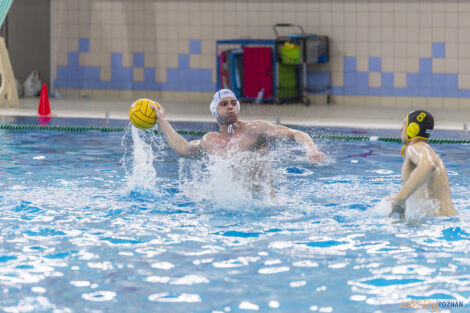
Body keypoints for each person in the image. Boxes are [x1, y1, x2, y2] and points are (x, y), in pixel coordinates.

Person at [149, 89, 325, 195]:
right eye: (224, 104)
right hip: (231, 209)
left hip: (263, 208)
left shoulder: (255, 130)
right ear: (214, 111)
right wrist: (162, 121)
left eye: (233, 103)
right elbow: (182, 148)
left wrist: (311, 150)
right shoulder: (210, 141)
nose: (230, 107)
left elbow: (295, 134)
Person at [389, 109, 456, 218]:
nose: (401, 129)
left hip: (436, 225)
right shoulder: (429, 151)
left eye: (404, 125)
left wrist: (399, 199)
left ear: (412, 129)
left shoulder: (415, 148)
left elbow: (428, 165)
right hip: (447, 221)